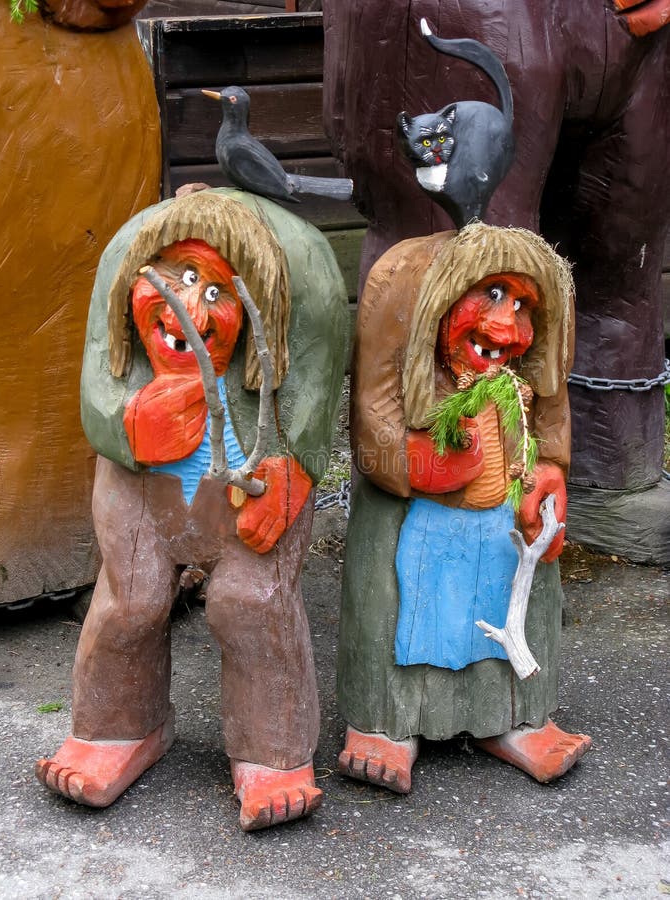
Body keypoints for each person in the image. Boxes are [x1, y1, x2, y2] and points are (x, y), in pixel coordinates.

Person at [36, 189, 347, 831]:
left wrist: (297, 467)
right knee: (131, 598)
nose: (188, 305)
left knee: (251, 600)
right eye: (178, 277)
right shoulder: (124, 254)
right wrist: (126, 426)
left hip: (253, 478)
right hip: (139, 481)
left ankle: (273, 751)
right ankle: (118, 729)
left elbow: (316, 386)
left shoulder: (308, 272)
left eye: (216, 290)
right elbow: (99, 380)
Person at [338, 223, 591, 792]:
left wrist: (548, 470)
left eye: (524, 304)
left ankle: (514, 715)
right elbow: (374, 414)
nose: (509, 323)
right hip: (419, 519)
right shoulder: (403, 286)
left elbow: (552, 412)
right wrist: (413, 462)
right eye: (493, 294)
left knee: (520, 586)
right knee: (396, 601)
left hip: (502, 516)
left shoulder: (519, 381)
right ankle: (387, 723)